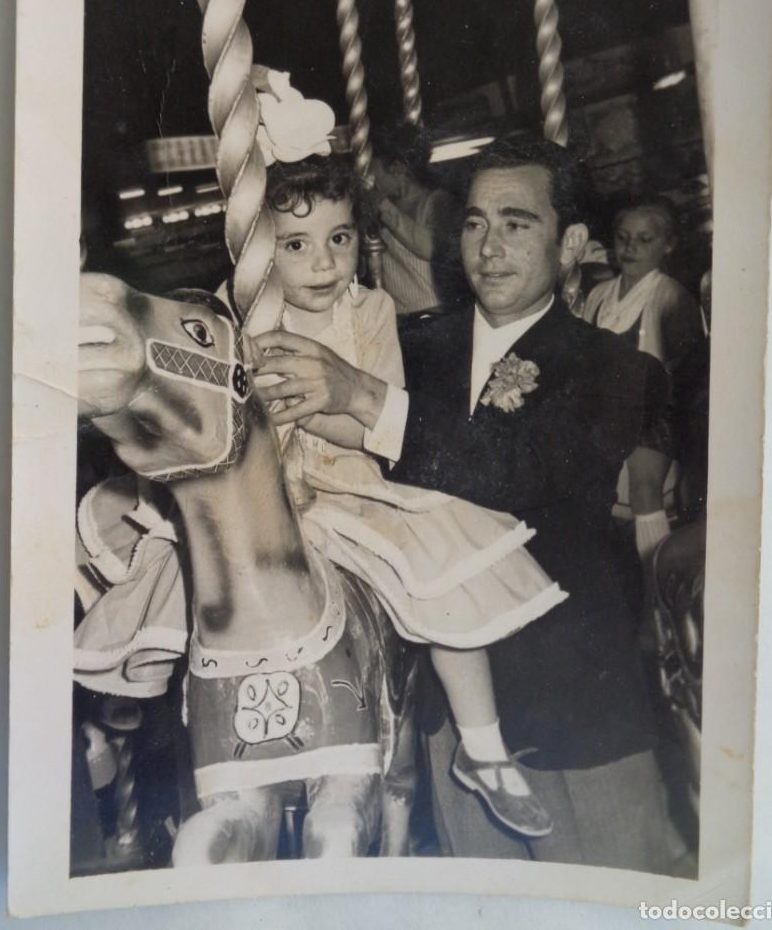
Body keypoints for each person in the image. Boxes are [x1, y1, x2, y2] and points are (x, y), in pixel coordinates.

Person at [258, 135, 679, 871]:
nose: (489, 246)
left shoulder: (617, 368)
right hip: (449, 714)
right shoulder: (407, 343)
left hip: (573, 703)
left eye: (518, 223)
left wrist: (363, 398)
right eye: (476, 223)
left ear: (571, 244)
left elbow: (516, 470)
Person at [255, 149, 567, 839]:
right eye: (296, 245)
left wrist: (306, 409)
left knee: (441, 574)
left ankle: (482, 746)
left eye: (340, 239)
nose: (323, 262)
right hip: (266, 487)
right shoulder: (243, 312)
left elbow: (377, 414)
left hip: (350, 482)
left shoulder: (370, 308)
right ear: (258, 253)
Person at [583, 200, 704, 598]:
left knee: (643, 488)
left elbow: (689, 374)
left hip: (658, 411)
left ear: (667, 245)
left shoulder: (671, 297)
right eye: (622, 238)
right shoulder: (598, 296)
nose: (630, 248)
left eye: (644, 239)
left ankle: (660, 595)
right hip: (605, 409)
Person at [369, 136, 457, 313]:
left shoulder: (436, 201)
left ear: (396, 168)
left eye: (373, 172)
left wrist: (382, 205)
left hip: (433, 310)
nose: (370, 180)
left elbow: (430, 248)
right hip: (399, 313)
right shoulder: (382, 210)